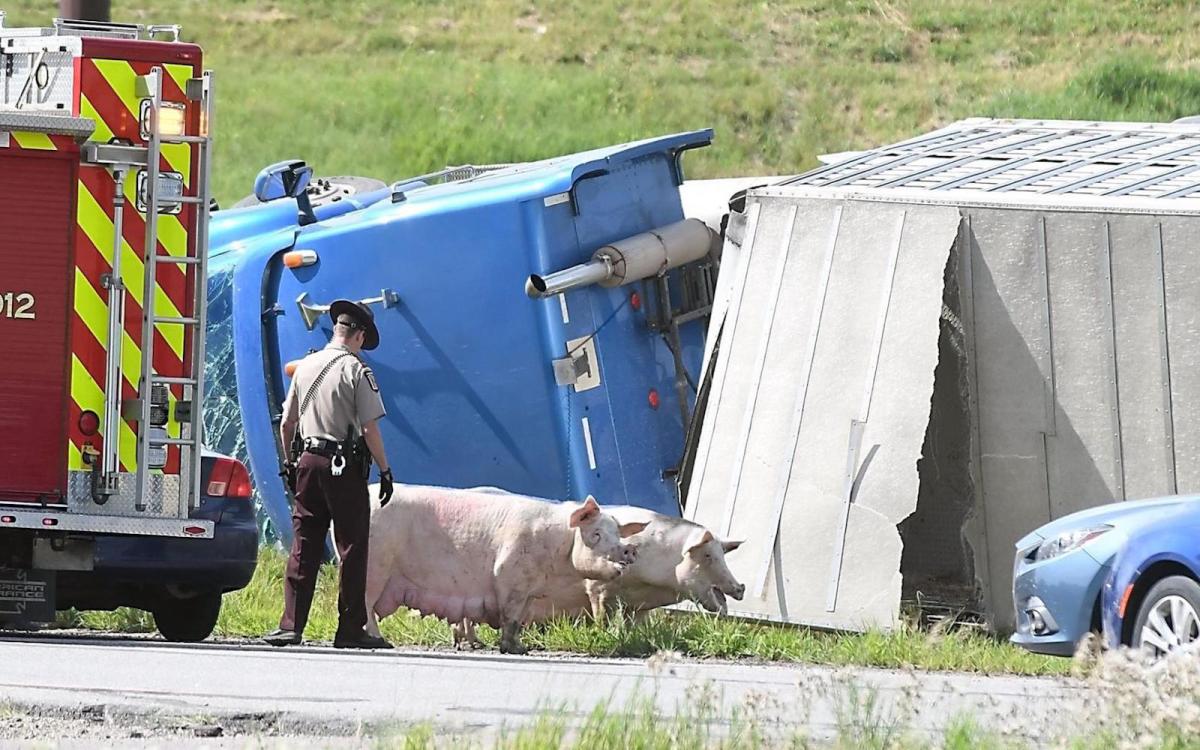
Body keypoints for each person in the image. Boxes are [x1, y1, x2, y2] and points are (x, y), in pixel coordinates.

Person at [263, 299, 395, 649]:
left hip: (307, 461)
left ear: (337, 329)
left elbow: (287, 422)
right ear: (360, 336)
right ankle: (350, 630)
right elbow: (369, 430)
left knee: (304, 542)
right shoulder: (357, 370)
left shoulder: (305, 366)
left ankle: (290, 626)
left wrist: (291, 463)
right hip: (344, 467)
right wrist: (385, 470)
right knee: (351, 545)